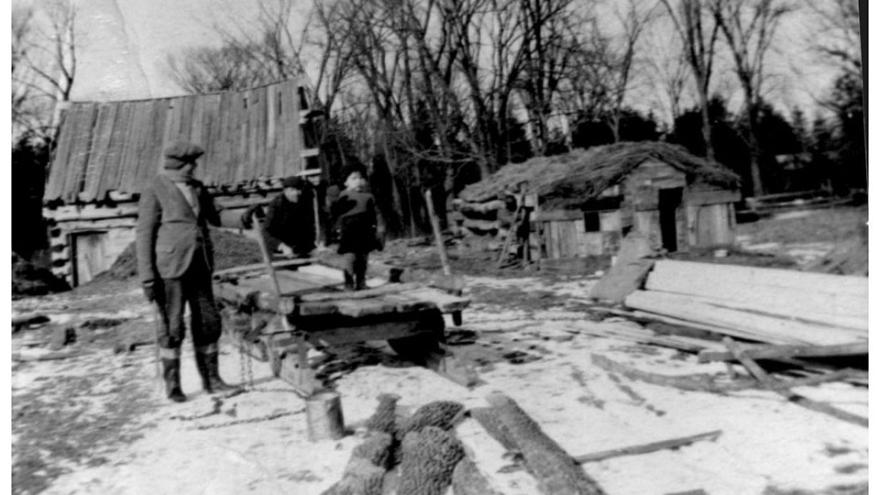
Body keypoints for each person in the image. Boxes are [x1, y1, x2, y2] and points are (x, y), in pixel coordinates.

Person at [136, 140, 238, 403]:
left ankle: (212, 381)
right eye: (192, 163)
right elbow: (144, 234)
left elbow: (217, 216)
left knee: (208, 322)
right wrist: (147, 276)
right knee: (173, 326)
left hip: (200, 264)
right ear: (180, 164)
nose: (195, 168)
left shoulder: (198, 188)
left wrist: (246, 217)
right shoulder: (155, 188)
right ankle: (173, 386)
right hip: (169, 269)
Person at [330, 165, 384, 290]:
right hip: (348, 232)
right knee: (350, 258)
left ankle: (361, 281)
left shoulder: (369, 196)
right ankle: (348, 283)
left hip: (365, 231)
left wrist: (380, 230)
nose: (358, 181)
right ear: (345, 181)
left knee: (363, 258)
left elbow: (377, 214)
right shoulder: (342, 195)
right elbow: (334, 213)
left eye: (361, 178)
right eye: (354, 178)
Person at [242, 176, 316, 258]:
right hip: (280, 252)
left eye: (300, 190)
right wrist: (282, 246)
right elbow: (266, 233)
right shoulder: (276, 206)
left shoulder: (303, 201)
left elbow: (308, 226)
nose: (299, 193)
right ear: (286, 191)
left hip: (300, 249)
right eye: (295, 190)